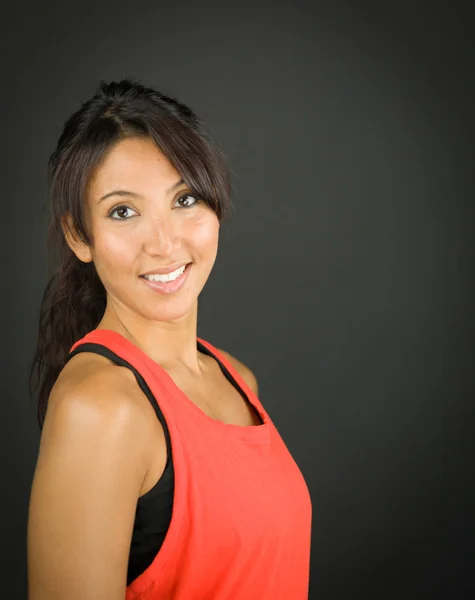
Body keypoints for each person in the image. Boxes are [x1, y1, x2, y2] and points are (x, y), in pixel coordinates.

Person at [27, 79, 312, 600]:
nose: (163, 243)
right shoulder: (100, 408)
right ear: (78, 236)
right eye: (123, 211)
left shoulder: (236, 377)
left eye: (184, 198)